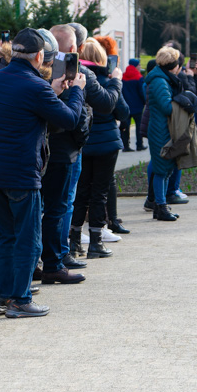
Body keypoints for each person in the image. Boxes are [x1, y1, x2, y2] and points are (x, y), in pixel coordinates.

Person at [0, 28, 85, 318]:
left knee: (6, 236)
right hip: (20, 173)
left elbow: (22, 109)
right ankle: (20, 300)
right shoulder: (35, 86)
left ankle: (0, 296)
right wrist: (76, 91)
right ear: (40, 56)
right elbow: (70, 119)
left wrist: (53, 93)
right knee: (29, 238)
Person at [38, 26, 90, 283]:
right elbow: (73, 117)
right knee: (57, 209)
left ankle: (45, 260)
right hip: (61, 151)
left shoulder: (36, 73)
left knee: (45, 209)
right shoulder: (69, 76)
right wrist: (76, 90)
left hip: (46, 150)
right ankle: (53, 262)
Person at [70, 37, 128, 256]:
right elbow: (122, 112)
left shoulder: (75, 78)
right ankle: (96, 241)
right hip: (106, 144)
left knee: (81, 191)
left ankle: (75, 240)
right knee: (100, 192)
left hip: (83, 142)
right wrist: (116, 82)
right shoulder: (106, 81)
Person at [144, 46, 184, 221]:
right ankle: (160, 207)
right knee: (161, 170)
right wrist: (184, 102)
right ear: (173, 65)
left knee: (167, 169)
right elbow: (167, 107)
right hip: (161, 130)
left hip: (164, 129)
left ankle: (162, 205)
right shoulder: (160, 80)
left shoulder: (162, 78)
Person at [120, 59, 146, 151]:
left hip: (126, 106)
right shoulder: (138, 77)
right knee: (139, 126)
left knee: (126, 126)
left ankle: (125, 146)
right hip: (137, 106)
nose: (140, 67)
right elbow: (141, 92)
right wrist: (144, 101)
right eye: (139, 65)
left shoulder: (123, 76)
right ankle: (139, 145)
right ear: (135, 66)